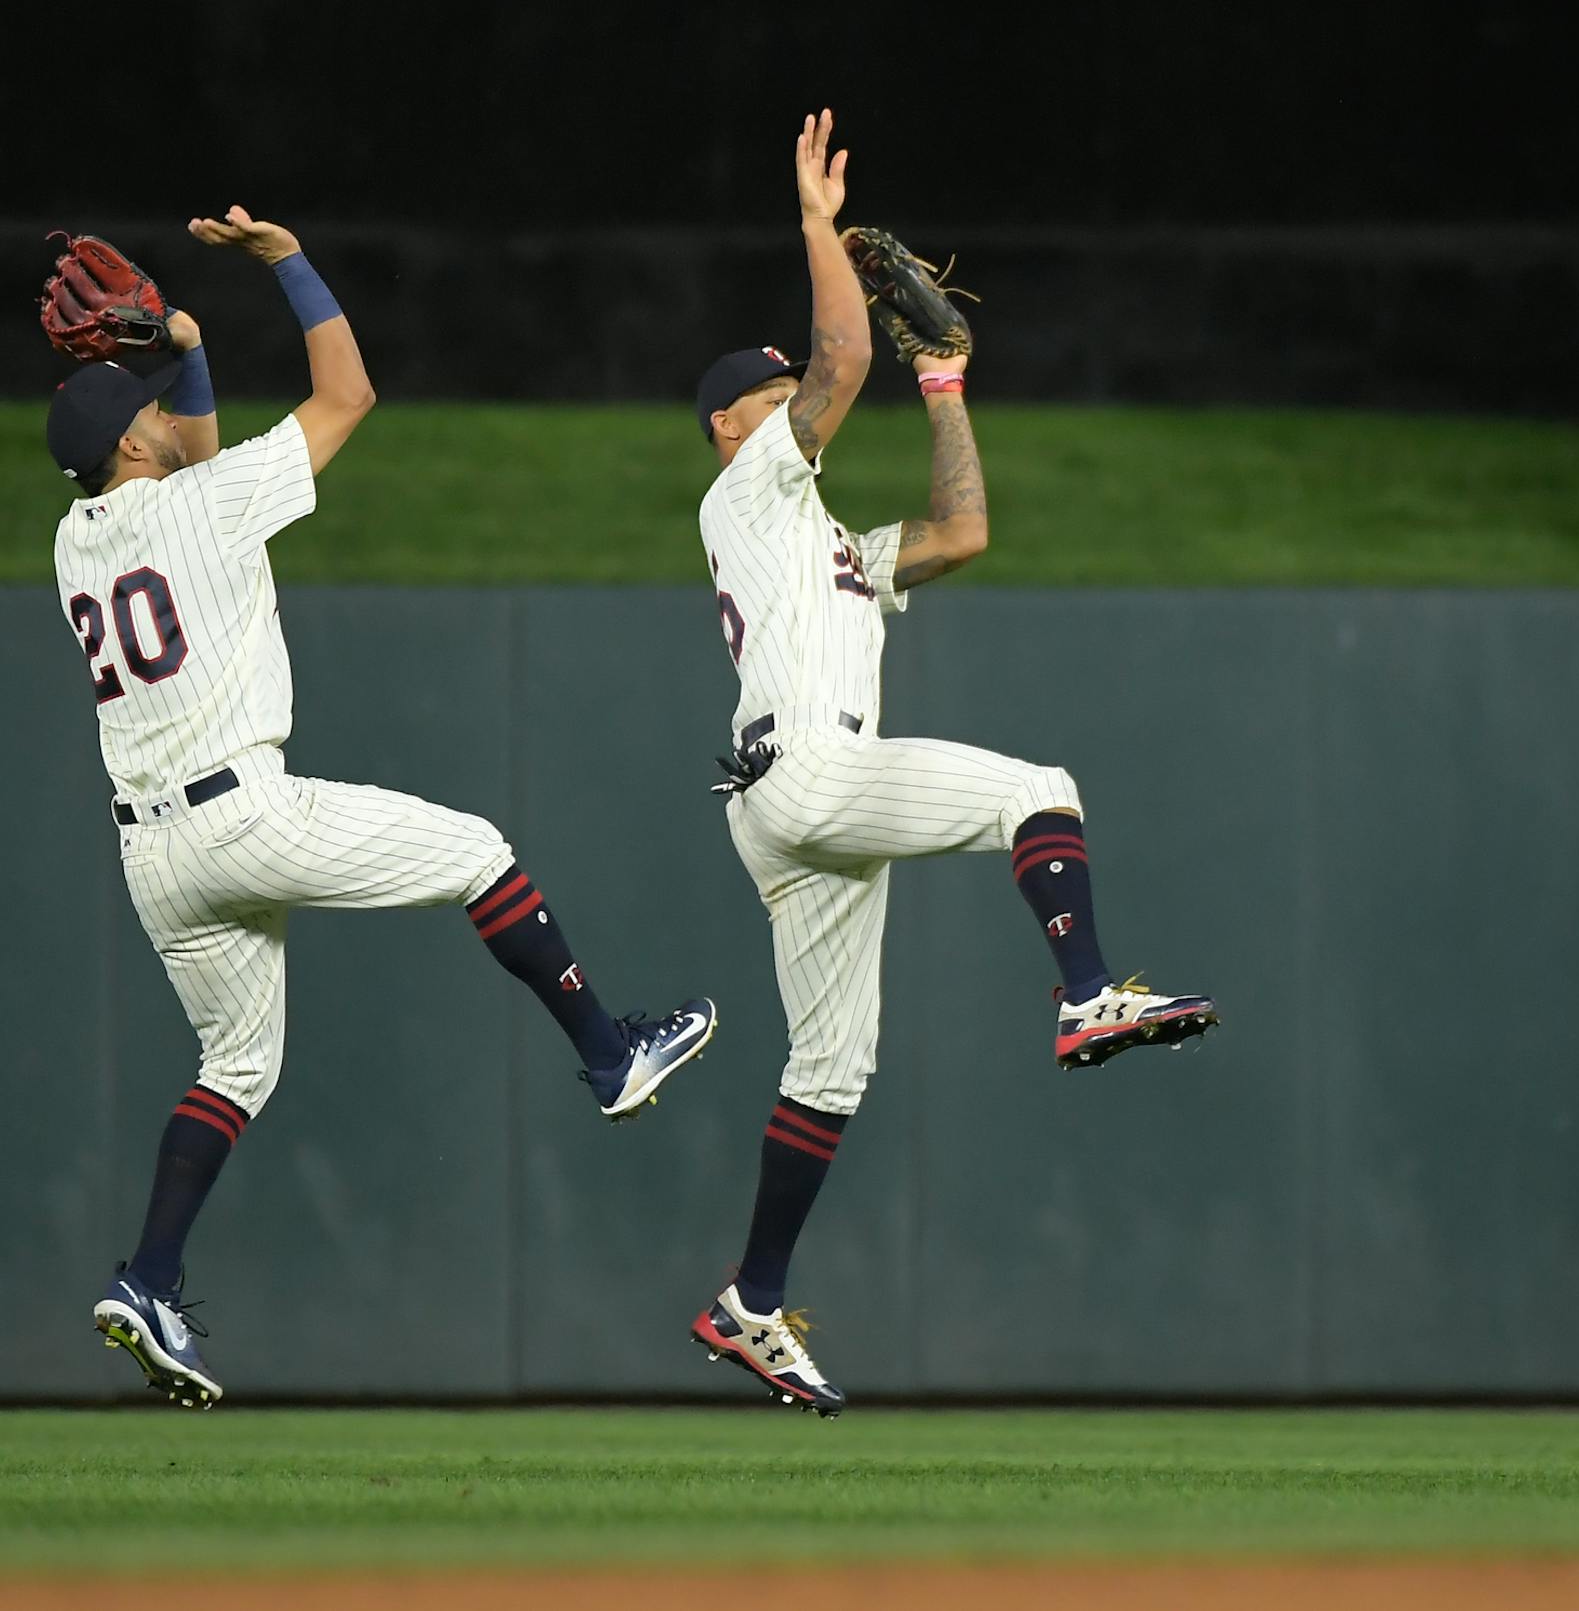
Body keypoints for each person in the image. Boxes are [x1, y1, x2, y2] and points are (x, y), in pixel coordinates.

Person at [51, 208, 715, 1408]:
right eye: (144, 407)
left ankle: (149, 1278)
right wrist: (285, 265)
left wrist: (187, 349)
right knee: (480, 854)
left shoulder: (75, 537)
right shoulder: (199, 503)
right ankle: (609, 1053)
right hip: (240, 813)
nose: (159, 414)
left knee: (238, 1061)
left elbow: (185, 452)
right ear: (129, 439)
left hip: (152, 855)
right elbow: (348, 395)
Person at [687, 112, 1219, 1415]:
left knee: (830, 1069)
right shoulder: (749, 485)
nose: (792, 394)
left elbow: (966, 527)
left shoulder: (832, 541)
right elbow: (842, 349)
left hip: (786, 803)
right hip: (808, 772)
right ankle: (1087, 989)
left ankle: (749, 1300)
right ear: (732, 421)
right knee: (1039, 786)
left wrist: (946, 389)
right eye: (772, 388)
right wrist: (816, 224)